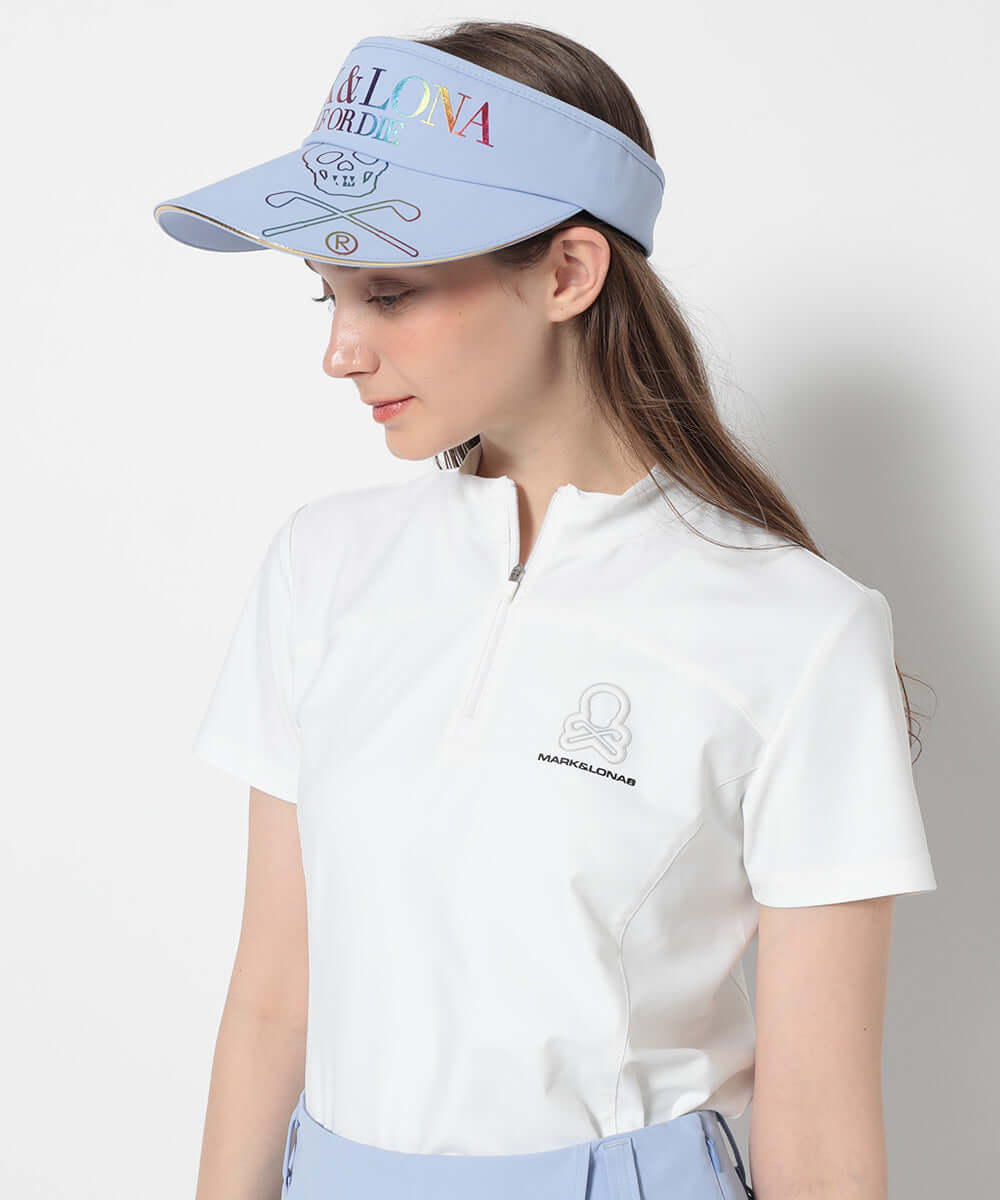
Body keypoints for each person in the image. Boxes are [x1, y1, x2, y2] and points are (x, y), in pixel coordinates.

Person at [153, 20, 938, 1200]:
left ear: (569, 272)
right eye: (328, 296)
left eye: (389, 293)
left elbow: (819, 1116)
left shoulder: (797, 628)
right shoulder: (322, 566)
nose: (341, 352)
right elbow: (274, 995)